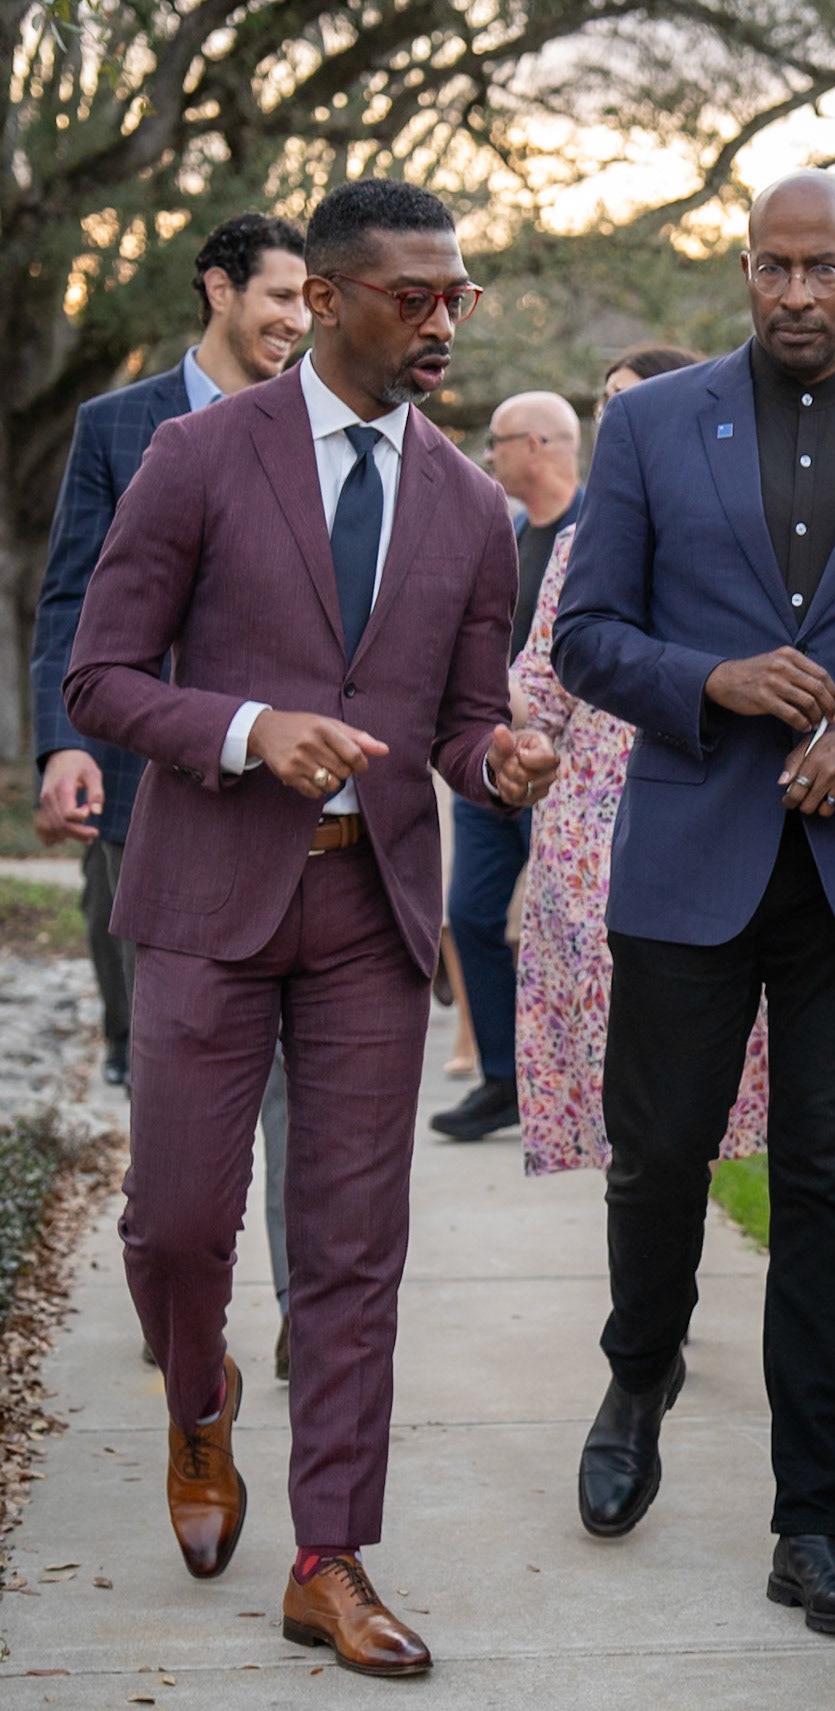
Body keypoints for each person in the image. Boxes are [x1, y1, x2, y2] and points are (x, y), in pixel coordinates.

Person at [64, 176, 557, 1680]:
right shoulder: (198, 455)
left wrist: (497, 759)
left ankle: (329, 1558)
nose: (442, 320)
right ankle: (198, 1403)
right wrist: (246, 728)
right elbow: (100, 674)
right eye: (414, 296)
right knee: (178, 1223)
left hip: (367, 913)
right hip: (206, 898)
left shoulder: (471, 505)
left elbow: (460, 717)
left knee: (351, 1249)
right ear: (326, 299)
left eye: (457, 294)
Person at [552, 170, 835, 1636]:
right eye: (771, 266)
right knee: (657, 1157)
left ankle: (811, 1521)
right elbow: (585, 635)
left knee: (824, 1190)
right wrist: (714, 680)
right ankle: (639, 1370)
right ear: (744, 269)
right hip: (687, 858)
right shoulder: (648, 427)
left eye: (822, 268)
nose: (795, 292)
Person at [30, 211, 309, 1366]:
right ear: (218, 288)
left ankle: (308, 1309)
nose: (297, 319)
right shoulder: (117, 426)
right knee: (177, 1060)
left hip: (291, 793)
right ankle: (183, 1309)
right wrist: (63, 743)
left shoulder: (327, 424)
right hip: (146, 788)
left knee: (298, 1070)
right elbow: (72, 598)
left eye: (310, 300)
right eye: (280, 295)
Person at [512, 345, 768, 1176]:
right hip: (589, 833)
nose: (612, 416)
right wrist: (506, 724)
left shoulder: (740, 531)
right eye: (604, 402)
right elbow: (541, 685)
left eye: (630, 399)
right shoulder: (578, 543)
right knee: (620, 1064)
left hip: (705, 805)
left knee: (700, 1052)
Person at [431, 391, 584, 1141]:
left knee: (566, 931)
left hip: (566, 773)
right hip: (488, 760)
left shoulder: (599, 533)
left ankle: (584, 1082)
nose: (486, 456)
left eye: (496, 441)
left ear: (536, 446)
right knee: (470, 912)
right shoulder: (509, 532)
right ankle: (503, 1079)